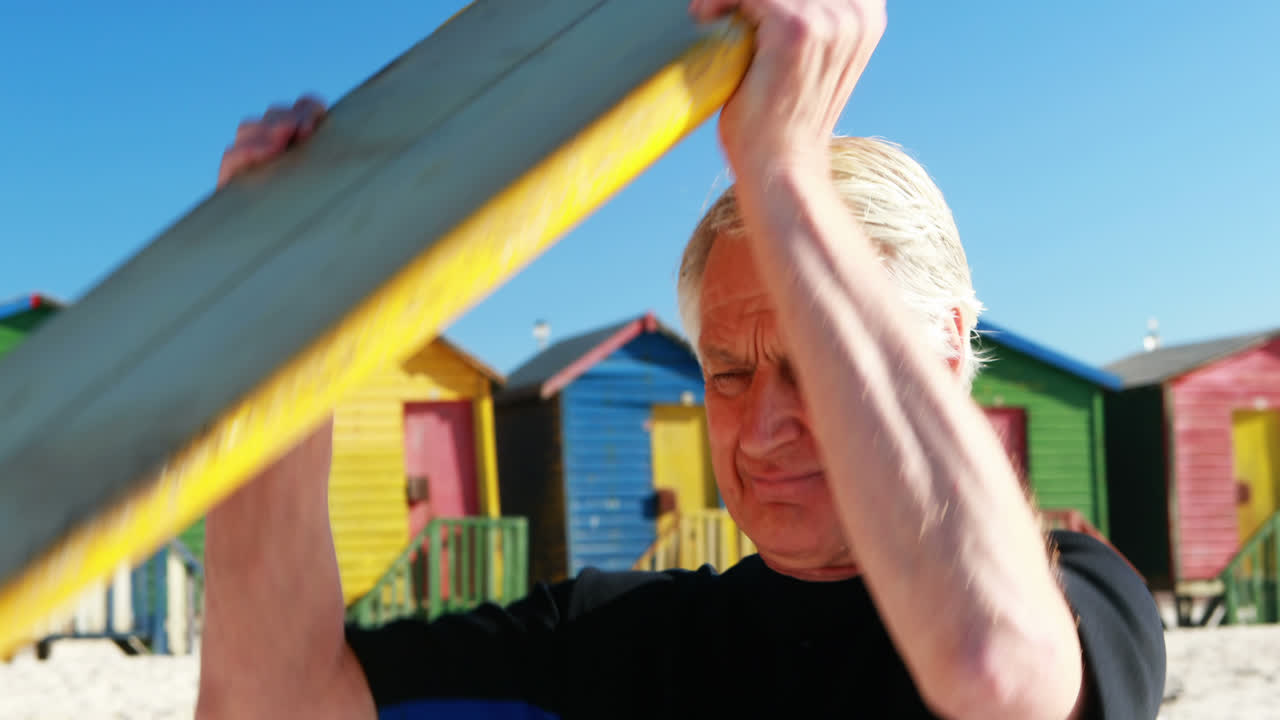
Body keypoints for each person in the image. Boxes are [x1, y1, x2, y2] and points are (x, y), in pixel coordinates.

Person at [196, 1, 1166, 718]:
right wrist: (283, 331)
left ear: (946, 350)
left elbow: (992, 669)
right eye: (729, 373)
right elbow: (272, 702)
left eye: (809, 366)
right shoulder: (628, 634)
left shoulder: (1080, 598)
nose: (764, 421)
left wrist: (781, 164)